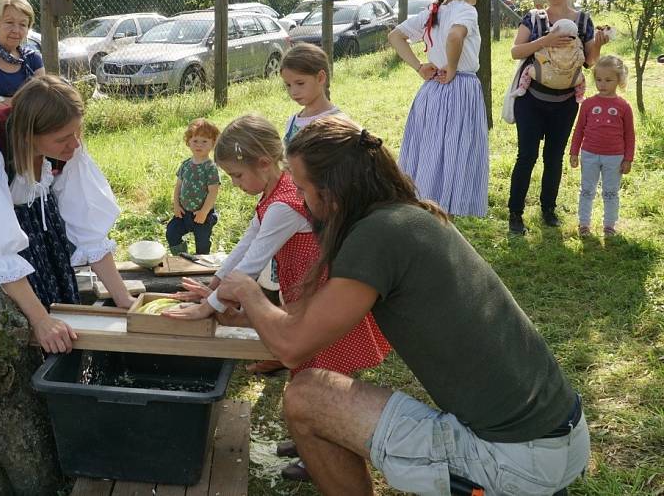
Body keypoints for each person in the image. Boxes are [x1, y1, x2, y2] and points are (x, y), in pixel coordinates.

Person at [212, 115, 589, 495]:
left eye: (301, 187)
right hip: (560, 436)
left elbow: (292, 348)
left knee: (305, 396)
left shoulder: (374, 238)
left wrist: (247, 291)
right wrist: (254, 315)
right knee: (311, 389)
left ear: (332, 192)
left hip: (518, 459)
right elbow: (312, 317)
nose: (298, 198)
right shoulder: (407, 217)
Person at [166, 115, 391, 482]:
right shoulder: (275, 194)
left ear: (265, 163)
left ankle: (329, 446)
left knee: (327, 380)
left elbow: (252, 265)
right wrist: (212, 286)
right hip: (304, 295)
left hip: (323, 300)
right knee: (305, 370)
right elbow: (244, 246)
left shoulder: (284, 206)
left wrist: (208, 307)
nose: (236, 184)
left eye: (238, 176)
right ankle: (309, 441)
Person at [0, 75, 132, 354]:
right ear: (28, 135)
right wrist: (41, 320)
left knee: (57, 294)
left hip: (31, 209)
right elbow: (0, 250)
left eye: (77, 132)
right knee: (29, 319)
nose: (75, 144)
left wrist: (124, 300)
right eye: (62, 138)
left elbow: (88, 226)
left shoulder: (66, 145)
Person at [508, 0, 611, 235]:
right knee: (527, 156)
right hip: (531, 100)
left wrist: (598, 43)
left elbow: (589, 62)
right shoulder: (534, 17)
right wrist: (546, 40)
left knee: (554, 157)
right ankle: (515, 214)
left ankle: (548, 209)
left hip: (564, 103)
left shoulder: (583, 21)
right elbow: (516, 51)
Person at [388, 0, 488, 217]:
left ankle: (427, 214)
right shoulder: (465, 10)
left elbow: (395, 36)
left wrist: (420, 67)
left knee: (432, 154)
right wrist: (452, 67)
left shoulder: (435, 12)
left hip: (432, 92)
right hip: (458, 88)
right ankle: (444, 220)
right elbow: (456, 36)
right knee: (453, 156)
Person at [570, 55, 635, 237]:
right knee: (587, 190)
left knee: (611, 192)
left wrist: (628, 158)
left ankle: (609, 225)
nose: (602, 84)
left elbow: (629, 135)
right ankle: (584, 224)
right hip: (589, 154)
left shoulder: (624, 106)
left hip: (614, 157)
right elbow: (579, 130)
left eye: (608, 80)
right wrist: (574, 152)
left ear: (619, 80)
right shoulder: (588, 104)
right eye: (598, 79)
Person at [166, 118, 221, 255]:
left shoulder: (210, 168)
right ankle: (182, 257)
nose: (199, 145)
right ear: (188, 142)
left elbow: (213, 193)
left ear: (213, 143)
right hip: (183, 212)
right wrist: (176, 205)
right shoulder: (185, 165)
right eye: (195, 141)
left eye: (204, 141)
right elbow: (178, 187)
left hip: (202, 214)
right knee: (171, 232)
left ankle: (200, 266)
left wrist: (204, 212)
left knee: (202, 243)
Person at [280, 43, 345, 145]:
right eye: (288, 85)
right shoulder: (292, 122)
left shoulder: (338, 123)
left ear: (320, 78)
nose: (293, 92)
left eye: (300, 83)